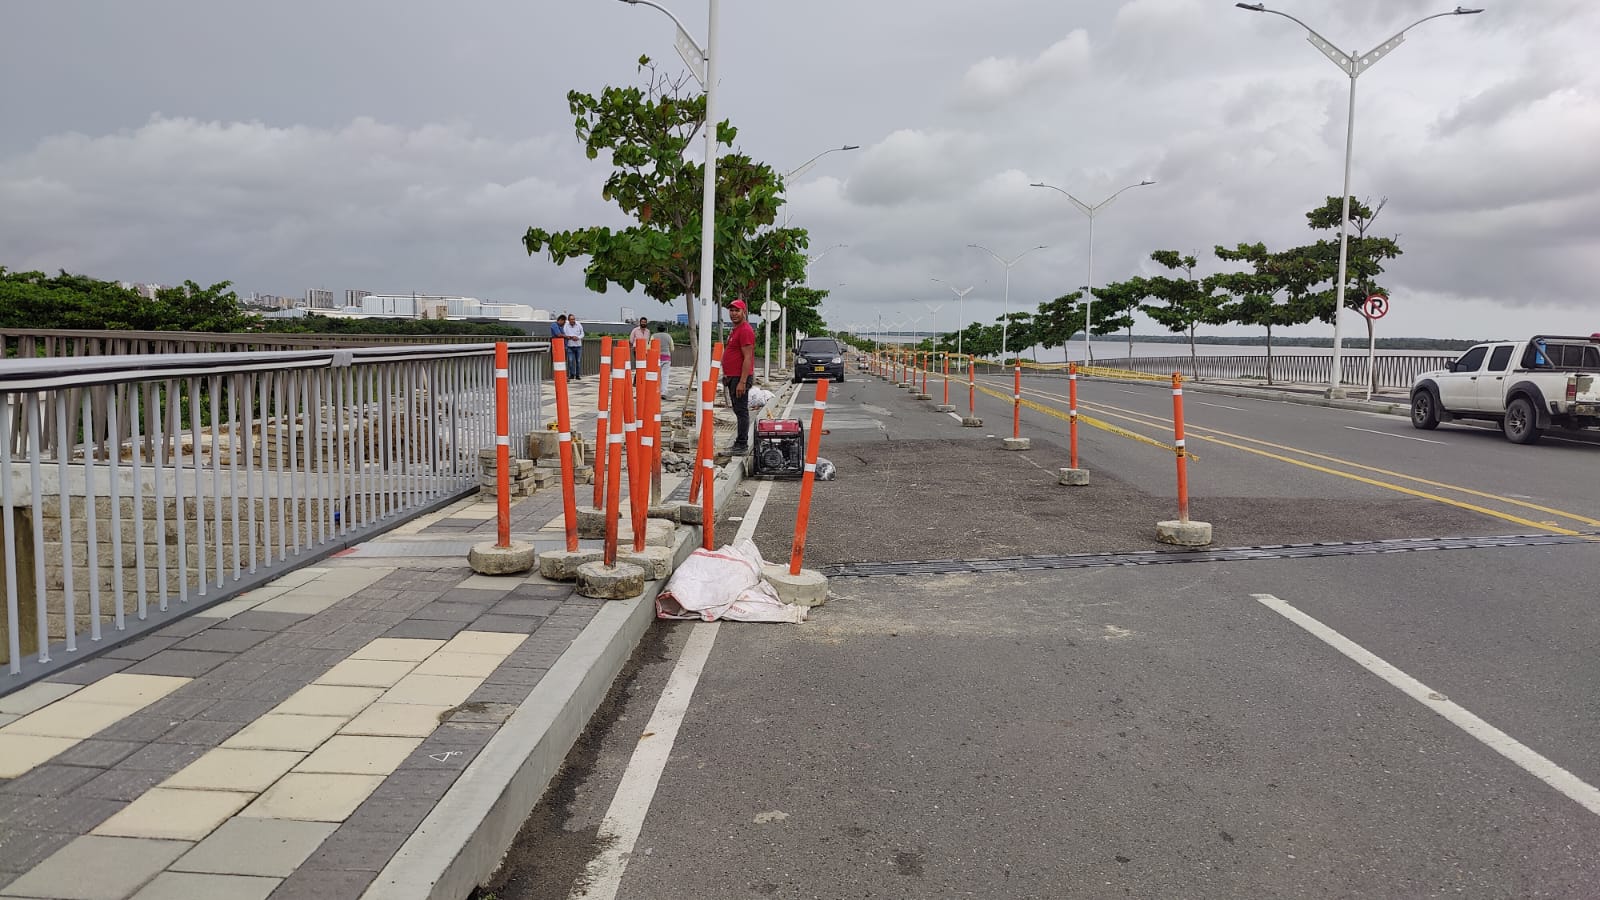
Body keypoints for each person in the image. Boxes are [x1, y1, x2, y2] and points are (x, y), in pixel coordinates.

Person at [722, 299, 756, 454]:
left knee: (741, 411)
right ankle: (739, 442)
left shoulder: (745, 330)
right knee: (737, 410)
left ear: (744, 312)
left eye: (737, 310)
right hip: (732, 376)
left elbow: (747, 357)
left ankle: (741, 444)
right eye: (731, 310)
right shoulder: (735, 330)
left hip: (740, 378)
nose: (734, 313)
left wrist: (742, 382)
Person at [653, 328, 675, 397]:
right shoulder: (668, 336)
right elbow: (672, 348)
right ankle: (664, 391)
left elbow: (649, 347)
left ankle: (656, 390)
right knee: (665, 375)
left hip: (656, 358)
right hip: (666, 358)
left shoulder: (654, 336)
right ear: (664, 329)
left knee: (657, 375)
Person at [563, 315, 585, 380]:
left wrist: (578, 337)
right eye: (571, 319)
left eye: (573, 319)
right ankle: (572, 374)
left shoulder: (579, 324)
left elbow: (582, 334)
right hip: (570, 346)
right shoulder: (566, 325)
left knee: (578, 361)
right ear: (568, 320)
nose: (573, 321)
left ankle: (578, 375)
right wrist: (569, 337)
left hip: (578, 346)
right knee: (570, 361)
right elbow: (564, 333)